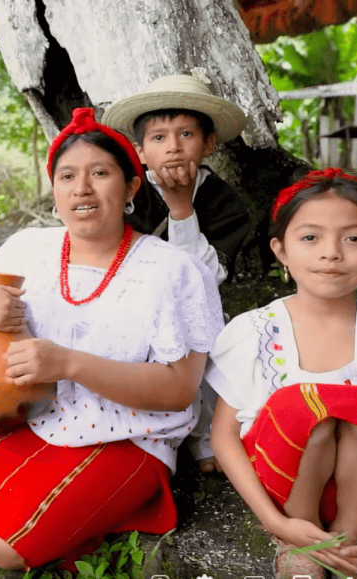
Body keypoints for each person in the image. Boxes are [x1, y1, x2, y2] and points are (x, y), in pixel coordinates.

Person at [0, 108, 224, 577]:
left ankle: (90, 523)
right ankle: (1, 531)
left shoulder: (172, 270)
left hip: (130, 435)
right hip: (32, 420)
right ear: (54, 189)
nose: (82, 188)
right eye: (67, 176)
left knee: (5, 549)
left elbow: (178, 390)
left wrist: (68, 364)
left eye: (100, 173)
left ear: (131, 187)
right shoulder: (27, 250)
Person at [209, 168, 357, 578]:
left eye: (354, 238)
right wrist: (277, 524)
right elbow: (224, 439)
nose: (331, 252)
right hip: (287, 495)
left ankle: (347, 541)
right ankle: (302, 546)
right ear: (280, 249)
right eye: (310, 237)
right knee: (303, 407)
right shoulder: (253, 332)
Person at [103, 72, 253, 472]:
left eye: (186, 134)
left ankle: (205, 439)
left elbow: (206, 278)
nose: (173, 147)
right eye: (158, 138)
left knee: (209, 353)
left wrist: (181, 207)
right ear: (139, 150)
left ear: (208, 144)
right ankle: (143, 437)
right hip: (128, 309)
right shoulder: (124, 192)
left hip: (192, 316)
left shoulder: (223, 201)